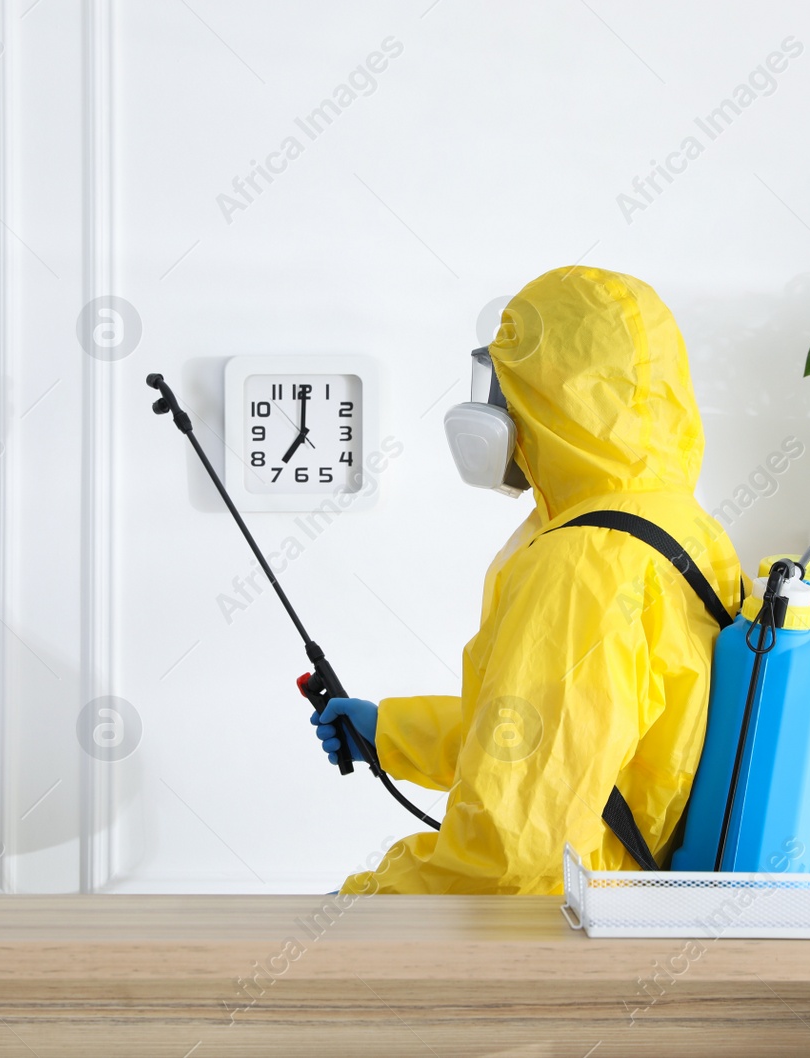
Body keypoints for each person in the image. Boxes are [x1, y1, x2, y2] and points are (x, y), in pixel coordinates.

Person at [313, 266, 744, 894]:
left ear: (550, 397)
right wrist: (391, 733)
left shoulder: (582, 566)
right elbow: (564, 739)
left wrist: (357, 908)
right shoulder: (681, 526)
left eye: (506, 384)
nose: (494, 408)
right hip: (617, 898)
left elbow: (512, 855)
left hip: (574, 917)